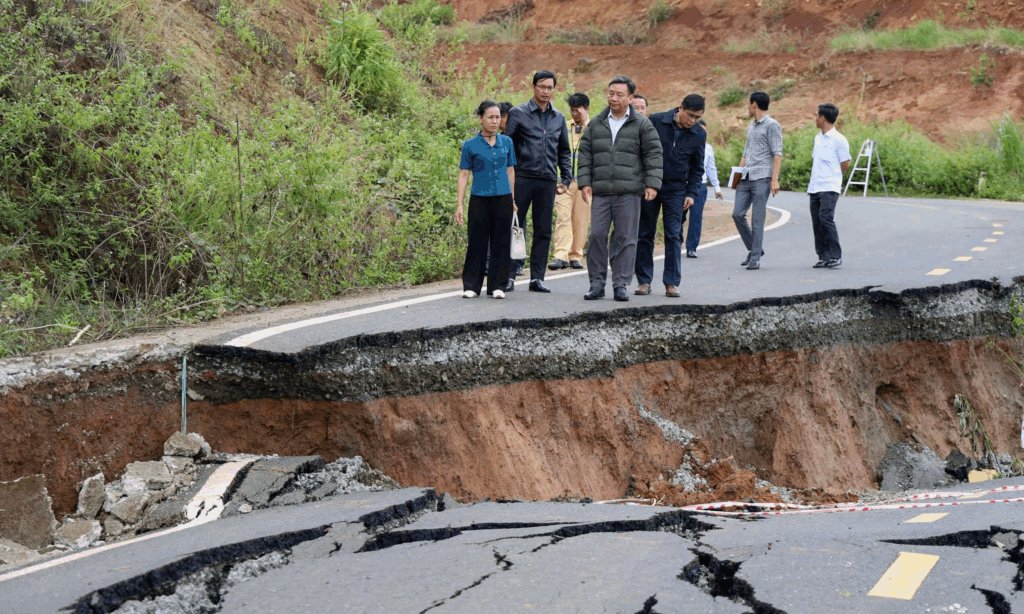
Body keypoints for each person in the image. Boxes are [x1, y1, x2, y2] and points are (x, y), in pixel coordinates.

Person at [577, 76, 663, 302]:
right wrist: (585, 182)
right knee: (596, 235)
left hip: (629, 191)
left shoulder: (642, 124)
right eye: (611, 93)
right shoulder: (597, 123)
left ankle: (621, 283)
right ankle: (596, 284)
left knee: (626, 238)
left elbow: (654, 154)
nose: (613, 98)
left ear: (631, 98)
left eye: (619, 94)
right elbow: (585, 153)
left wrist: (652, 183)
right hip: (601, 191)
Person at [504, 70, 573, 293]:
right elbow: (507, 145)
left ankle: (537, 278)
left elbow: (564, 150)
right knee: (515, 227)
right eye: (542, 87)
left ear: (554, 90)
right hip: (522, 177)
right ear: (533, 87)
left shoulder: (559, 117)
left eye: (550, 88)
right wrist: (507, 176)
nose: (546, 91)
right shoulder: (518, 113)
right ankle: (508, 276)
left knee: (543, 230)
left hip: (547, 180)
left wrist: (566, 177)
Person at [634, 94, 706, 298]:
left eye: (697, 117)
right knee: (645, 233)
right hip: (650, 185)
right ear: (680, 108)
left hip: (677, 190)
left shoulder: (699, 133)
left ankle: (671, 282)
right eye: (690, 115)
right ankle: (644, 280)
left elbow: (697, 167)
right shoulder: (656, 120)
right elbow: (641, 152)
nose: (693, 120)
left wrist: (691, 193)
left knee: (673, 235)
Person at [455, 101, 517, 299]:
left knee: (501, 241)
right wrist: (459, 205)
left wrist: (513, 199)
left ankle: (498, 286)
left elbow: (510, 171)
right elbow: (464, 174)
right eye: (490, 117)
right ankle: (472, 286)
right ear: (480, 118)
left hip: (503, 198)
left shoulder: (507, 142)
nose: (494, 121)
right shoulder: (470, 145)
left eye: (497, 117)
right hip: (479, 198)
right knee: (477, 241)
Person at [733, 91, 782, 270]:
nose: (747, 107)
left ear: (754, 105)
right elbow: (745, 153)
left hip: (762, 177)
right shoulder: (751, 127)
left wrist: (774, 180)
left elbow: (777, 153)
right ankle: (756, 249)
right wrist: (737, 177)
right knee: (737, 214)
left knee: (757, 219)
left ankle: (755, 257)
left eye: (748, 104)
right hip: (746, 177)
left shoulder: (772, 125)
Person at [549, 92, 590, 271]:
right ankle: (561, 255)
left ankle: (575, 255)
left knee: (581, 220)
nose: (574, 114)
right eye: (572, 110)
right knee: (563, 218)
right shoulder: (563, 127)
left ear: (587, 109)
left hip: (584, 183)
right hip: (563, 182)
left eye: (578, 111)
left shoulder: (594, 129)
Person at [807, 103, 851, 269]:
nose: (815, 118)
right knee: (817, 221)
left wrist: (833, 176)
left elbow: (845, 163)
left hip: (830, 186)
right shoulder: (817, 138)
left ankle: (835, 255)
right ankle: (823, 256)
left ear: (822, 118)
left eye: (816, 115)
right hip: (815, 186)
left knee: (826, 218)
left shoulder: (839, 139)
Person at [684, 118, 724, 259]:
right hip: (682, 184)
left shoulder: (708, 148)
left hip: (699, 186)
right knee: (678, 216)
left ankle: (691, 247)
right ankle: (675, 243)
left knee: (696, 217)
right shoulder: (683, 144)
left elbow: (711, 168)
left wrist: (717, 188)